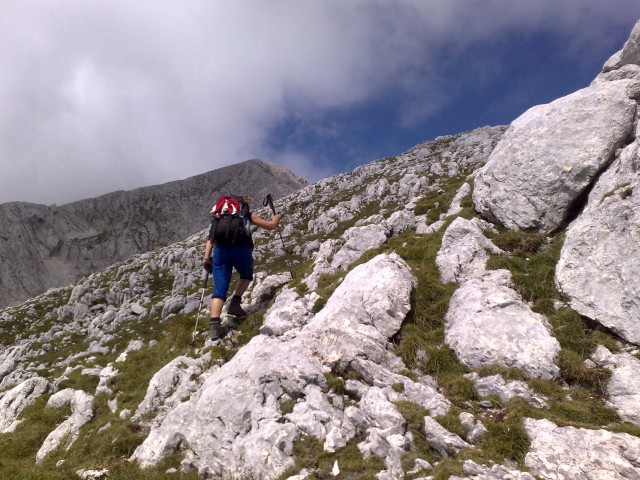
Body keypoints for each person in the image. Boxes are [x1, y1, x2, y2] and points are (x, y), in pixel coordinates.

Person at [202, 196, 280, 340]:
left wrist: (206, 258)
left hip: (220, 252)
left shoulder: (218, 218)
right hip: (241, 250)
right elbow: (270, 226)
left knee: (219, 290)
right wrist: (276, 218)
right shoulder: (245, 215)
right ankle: (235, 303)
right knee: (246, 275)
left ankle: (214, 327)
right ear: (242, 206)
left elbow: (210, 238)